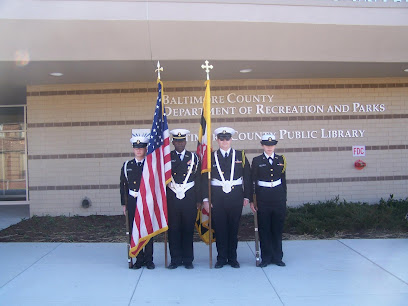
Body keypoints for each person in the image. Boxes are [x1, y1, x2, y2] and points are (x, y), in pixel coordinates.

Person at [202, 127, 252, 269]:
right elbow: (205, 179)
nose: (224, 141)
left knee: (233, 229)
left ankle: (233, 258)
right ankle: (221, 258)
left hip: (235, 197)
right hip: (217, 198)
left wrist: (247, 195)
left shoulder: (240, 155)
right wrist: (206, 199)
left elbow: (247, 177)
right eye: (221, 139)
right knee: (220, 229)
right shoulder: (210, 157)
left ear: (231, 139)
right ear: (217, 140)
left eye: (227, 138)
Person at [120, 129, 155, 270]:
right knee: (136, 230)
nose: (138, 150)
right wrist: (124, 204)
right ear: (133, 149)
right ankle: (139, 259)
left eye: (141, 147)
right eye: (136, 147)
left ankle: (149, 260)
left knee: (148, 230)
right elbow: (123, 186)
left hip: (147, 201)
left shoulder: (150, 165)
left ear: (145, 149)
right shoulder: (127, 165)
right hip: (133, 201)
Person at [250, 133, 287, 267]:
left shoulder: (281, 159)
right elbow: (252, 181)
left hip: (278, 197)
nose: (269, 147)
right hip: (263, 197)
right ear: (262, 145)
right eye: (266, 145)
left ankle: (277, 257)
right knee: (264, 229)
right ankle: (266, 257)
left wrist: (284, 199)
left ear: (275, 145)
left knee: (277, 228)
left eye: (272, 145)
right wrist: (253, 200)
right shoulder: (257, 160)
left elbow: (283, 180)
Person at [167, 129, 201, 269]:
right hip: (172, 197)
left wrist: (199, 199)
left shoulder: (193, 157)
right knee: (174, 229)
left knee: (188, 229)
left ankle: (188, 260)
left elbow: (198, 179)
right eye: (177, 141)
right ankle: (175, 259)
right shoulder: (167, 158)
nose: (180, 143)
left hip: (189, 197)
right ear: (173, 142)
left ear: (185, 142)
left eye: (182, 141)